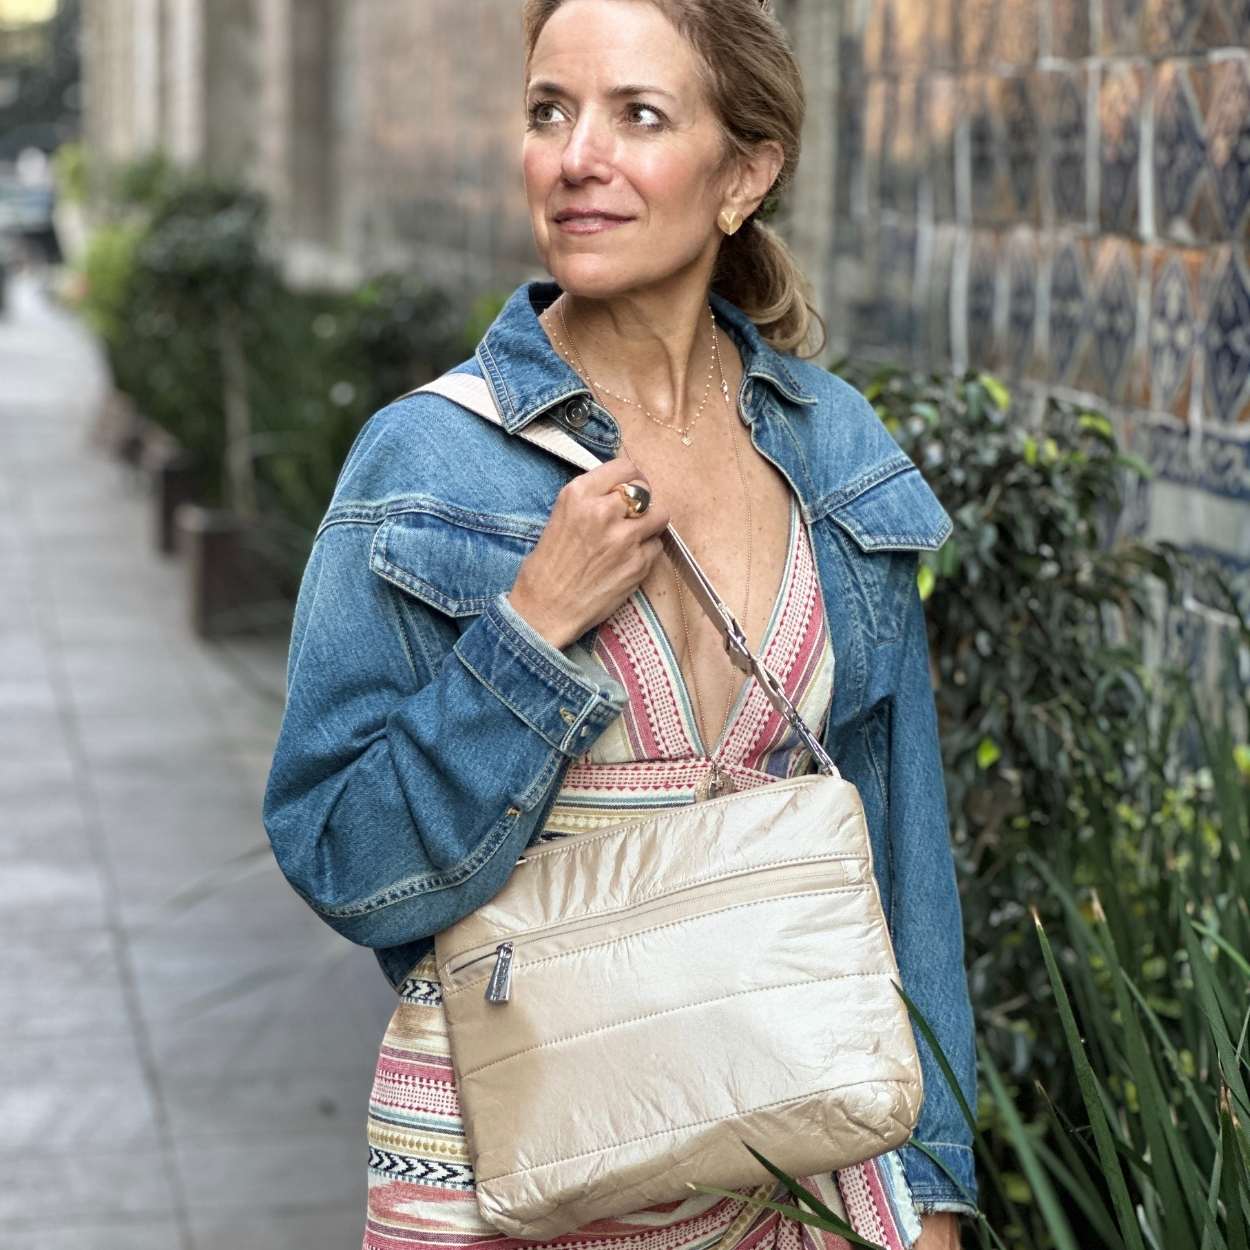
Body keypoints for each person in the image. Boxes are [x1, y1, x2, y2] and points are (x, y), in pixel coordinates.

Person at [261, 1, 978, 1247]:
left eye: (636, 115)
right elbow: (341, 854)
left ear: (741, 175)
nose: (574, 155)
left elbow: (900, 848)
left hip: (797, 1162)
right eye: (549, 110)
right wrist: (529, 632)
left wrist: (927, 1189)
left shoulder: (832, 452)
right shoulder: (432, 458)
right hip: (514, 1167)